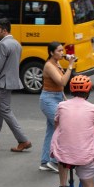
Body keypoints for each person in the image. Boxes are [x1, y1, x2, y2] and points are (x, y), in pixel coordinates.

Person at [0, 18, 31, 152]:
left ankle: (23, 140)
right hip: (9, 81)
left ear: (4, 30)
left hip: (2, 83)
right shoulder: (16, 44)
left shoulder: (3, 45)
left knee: (5, 111)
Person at [39, 42, 76, 172]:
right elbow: (62, 82)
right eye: (59, 51)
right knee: (61, 128)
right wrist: (70, 66)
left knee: (51, 130)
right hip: (48, 100)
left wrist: (65, 100)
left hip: (57, 98)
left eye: (62, 50)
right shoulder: (49, 65)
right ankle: (54, 161)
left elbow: (60, 87)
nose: (62, 53)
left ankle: (45, 161)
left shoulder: (56, 63)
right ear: (51, 52)